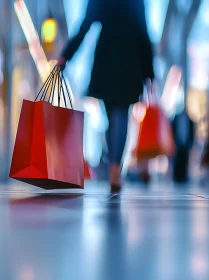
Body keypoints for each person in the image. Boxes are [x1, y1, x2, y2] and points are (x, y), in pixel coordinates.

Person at [58, 0, 154, 192]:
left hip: (106, 60)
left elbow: (85, 25)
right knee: (121, 115)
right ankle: (116, 167)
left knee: (112, 117)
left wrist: (66, 56)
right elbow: (144, 32)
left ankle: (113, 167)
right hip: (130, 61)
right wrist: (149, 72)